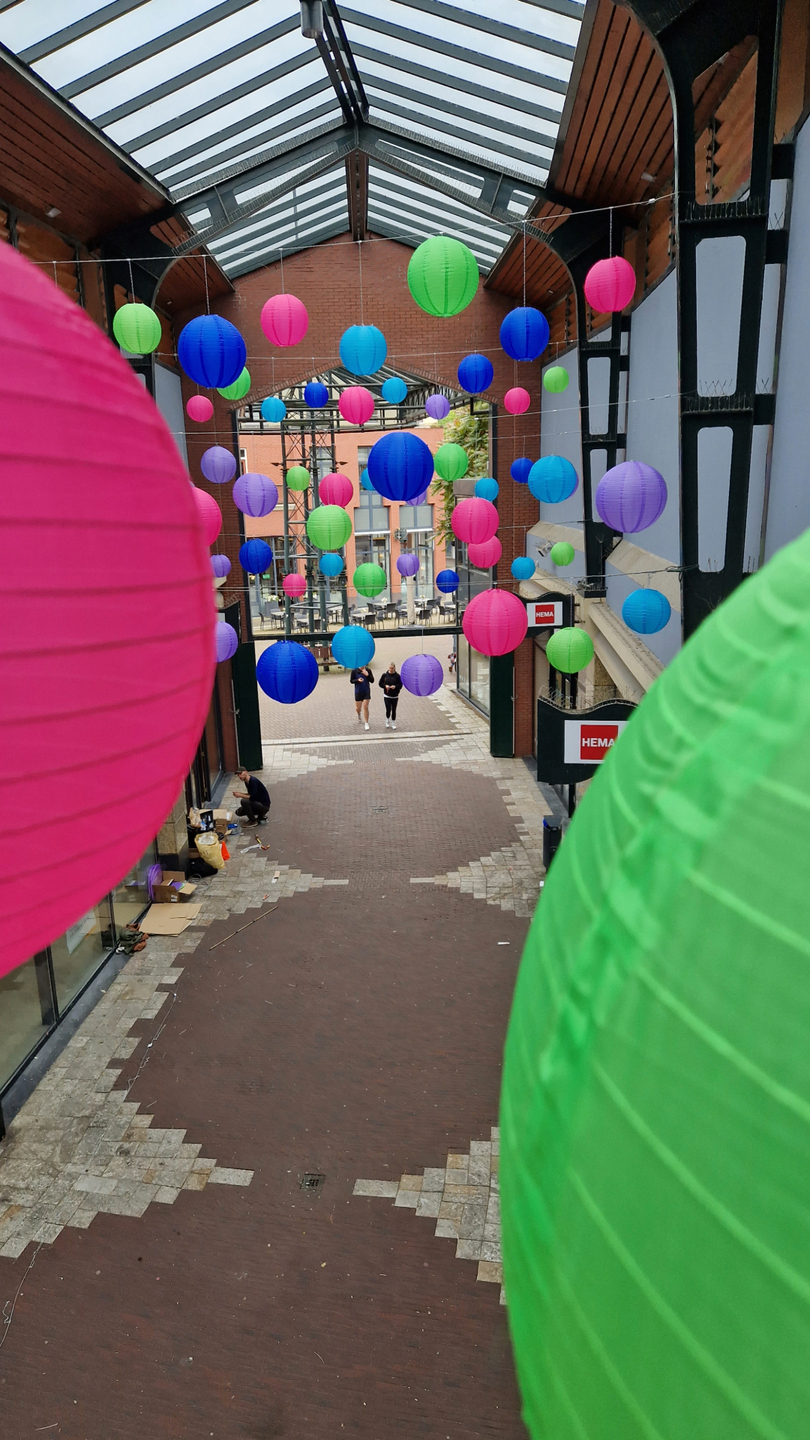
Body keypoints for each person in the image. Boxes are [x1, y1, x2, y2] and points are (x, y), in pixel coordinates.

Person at [379, 663, 403, 729]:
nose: (391, 670)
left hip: (395, 695)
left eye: (392, 668)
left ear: (394, 668)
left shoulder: (397, 676)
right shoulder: (384, 675)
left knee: (394, 709)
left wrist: (395, 686)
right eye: (390, 668)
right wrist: (385, 686)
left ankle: (393, 722)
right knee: (388, 709)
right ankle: (387, 720)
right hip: (387, 695)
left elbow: (400, 685)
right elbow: (380, 683)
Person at [350, 663, 374, 729]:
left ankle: (366, 723)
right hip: (358, 692)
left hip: (366, 691)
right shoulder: (354, 671)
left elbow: (372, 680)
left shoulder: (368, 670)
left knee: (365, 706)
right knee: (358, 708)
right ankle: (358, 714)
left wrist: (367, 675)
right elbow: (351, 681)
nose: (362, 666)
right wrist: (357, 680)